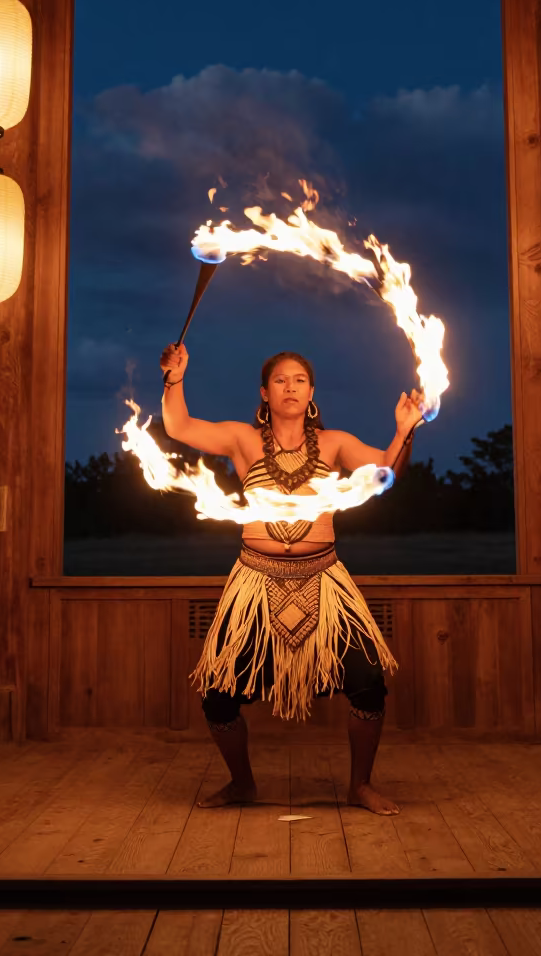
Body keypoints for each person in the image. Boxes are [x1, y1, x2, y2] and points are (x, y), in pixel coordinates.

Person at [159, 343, 424, 817]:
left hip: (325, 582)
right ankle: (242, 783)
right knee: (218, 694)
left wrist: (404, 431)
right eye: (280, 380)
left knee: (368, 680)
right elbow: (179, 427)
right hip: (254, 584)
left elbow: (387, 472)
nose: (290, 387)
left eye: (299, 380)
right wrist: (174, 378)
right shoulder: (243, 440)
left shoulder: (335, 444)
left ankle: (360, 785)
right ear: (265, 392)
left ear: (312, 392)